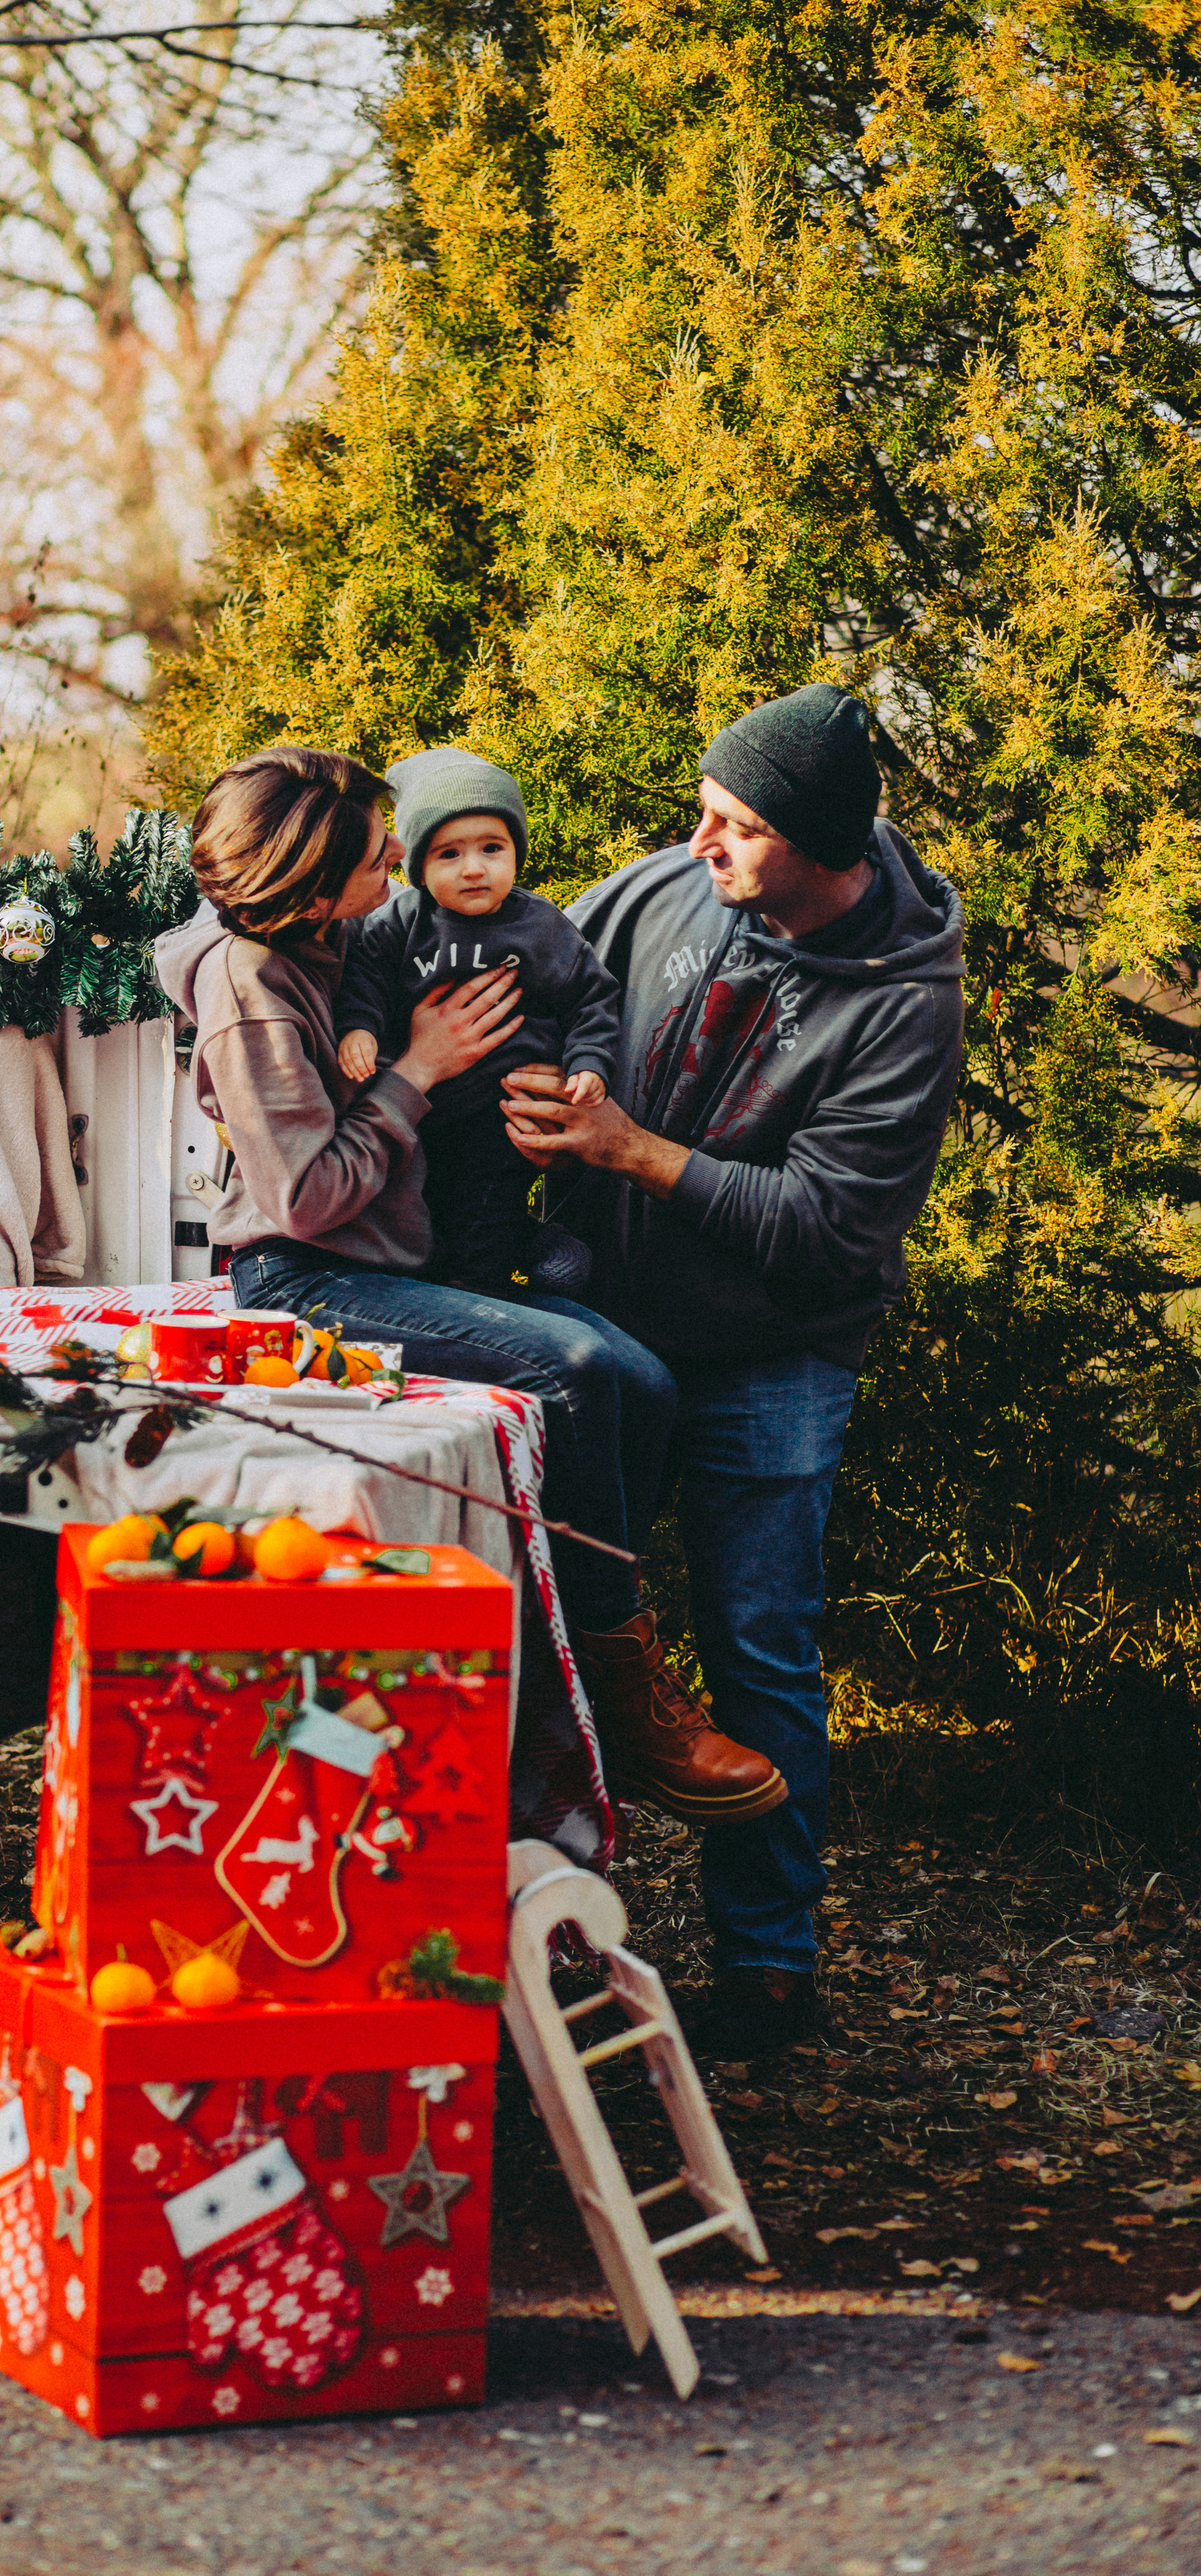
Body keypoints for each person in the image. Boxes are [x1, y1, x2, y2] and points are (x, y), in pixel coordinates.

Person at [152, 741, 787, 1861]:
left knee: (639, 1375)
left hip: (402, 1266)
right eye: (374, 857)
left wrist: (532, 1070)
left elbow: (502, 964)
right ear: (306, 894)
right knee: (577, 1371)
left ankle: (590, 1657)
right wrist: (420, 1070)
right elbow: (303, 1198)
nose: (399, 863)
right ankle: (618, 1696)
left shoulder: (340, 936)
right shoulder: (251, 991)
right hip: (306, 1281)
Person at [503, 684, 965, 2055]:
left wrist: (629, 1151)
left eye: (734, 825)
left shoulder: (906, 1006)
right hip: (599, 1339)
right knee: (562, 1636)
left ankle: (768, 1962)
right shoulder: (661, 890)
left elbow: (827, 1235)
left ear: (817, 848)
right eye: (703, 811)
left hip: (772, 1360)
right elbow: (536, 983)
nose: (695, 842)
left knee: (760, 1649)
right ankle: (545, 1935)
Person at [334, 747, 619, 1292]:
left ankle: (488, 1294)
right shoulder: (400, 921)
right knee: (420, 1214)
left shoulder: (541, 927)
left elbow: (592, 999)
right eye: (449, 854)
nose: (474, 868)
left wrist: (589, 1062)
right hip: (419, 1111)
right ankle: (504, 1259)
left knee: (485, 1218)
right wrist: (360, 1030)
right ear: (417, 866)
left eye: (493, 848)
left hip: (502, 1114)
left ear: (516, 853)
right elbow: (364, 979)